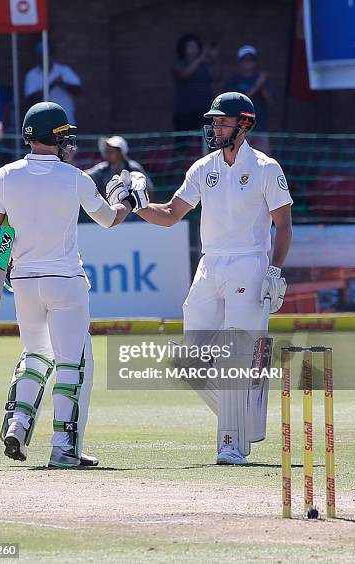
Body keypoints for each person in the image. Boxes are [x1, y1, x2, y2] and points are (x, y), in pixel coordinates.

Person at [108, 92, 292, 465]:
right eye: (214, 122)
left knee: (237, 357)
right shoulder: (201, 167)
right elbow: (172, 214)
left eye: (222, 121)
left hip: (249, 265)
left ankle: (231, 443)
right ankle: (247, 419)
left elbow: (284, 225)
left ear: (244, 124)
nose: (215, 127)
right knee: (190, 361)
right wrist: (137, 205)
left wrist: (274, 270)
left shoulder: (266, 167)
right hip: (210, 265)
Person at [0, 102, 148, 468]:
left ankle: (18, 422)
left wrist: (12, 262)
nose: (67, 142)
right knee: (72, 363)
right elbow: (109, 219)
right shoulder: (75, 177)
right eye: (63, 136)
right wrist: (126, 199)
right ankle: (63, 448)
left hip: (25, 280)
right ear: (53, 138)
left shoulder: (4, 175)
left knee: (35, 355)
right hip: (65, 279)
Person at [224, 46, 274, 154]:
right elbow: (242, 100)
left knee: (263, 158)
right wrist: (258, 84)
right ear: (239, 62)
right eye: (245, 60)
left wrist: (262, 86)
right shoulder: (234, 80)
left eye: (251, 60)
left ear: (255, 62)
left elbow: (270, 101)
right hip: (239, 126)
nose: (248, 63)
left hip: (260, 125)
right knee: (239, 158)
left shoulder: (262, 79)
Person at [24, 41, 82, 124]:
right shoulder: (32, 75)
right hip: (43, 124)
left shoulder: (63, 70)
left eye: (47, 55)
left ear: (51, 56)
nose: (44, 58)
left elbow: (79, 90)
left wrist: (62, 84)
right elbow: (31, 99)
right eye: (40, 55)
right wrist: (52, 84)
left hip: (65, 122)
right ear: (36, 57)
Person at [172, 33, 218, 131]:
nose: (194, 48)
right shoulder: (179, 64)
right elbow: (185, 74)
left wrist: (212, 59)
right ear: (183, 48)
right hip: (184, 111)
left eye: (195, 46)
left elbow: (216, 77)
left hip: (204, 110)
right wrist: (200, 58)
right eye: (190, 46)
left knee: (206, 143)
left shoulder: (205, 65)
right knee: (182, 142)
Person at [85, 135, 154, 198]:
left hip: (132, 209)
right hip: (110, 209)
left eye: (110, 151)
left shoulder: (133, 168)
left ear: (120, 153)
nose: (107, 153)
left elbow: (149, 189)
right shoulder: (102, 169)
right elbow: (86, 175)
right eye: (106, 151)